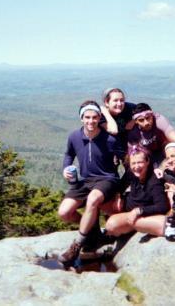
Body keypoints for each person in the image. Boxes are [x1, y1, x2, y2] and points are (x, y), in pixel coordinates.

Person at [57, 100, 125, 266]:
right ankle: (92, 231)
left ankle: (77, 244)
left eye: (94, 117)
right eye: (87, 117)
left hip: (107, 179)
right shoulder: (74, 136)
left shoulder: (109, 139)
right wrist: (66, 168)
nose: (91, 121)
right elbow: (68, 154)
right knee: (64, 213)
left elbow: (128, 163)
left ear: (99, 118)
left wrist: (120, 191)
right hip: (85, 180)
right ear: (81, 118)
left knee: (93, 199)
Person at [104, 145, 170, 237]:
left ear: (147, 161)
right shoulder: (131, 173)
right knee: (102, 202)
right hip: (127, 209)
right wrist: (118, 196)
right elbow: (120, 185)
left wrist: (138, 211)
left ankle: (135, 227)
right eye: (133, 163)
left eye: (140, 162)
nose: (136, 166)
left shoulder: (154, 181)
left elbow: (162, 206)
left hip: (142, 214)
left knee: (111, 224)